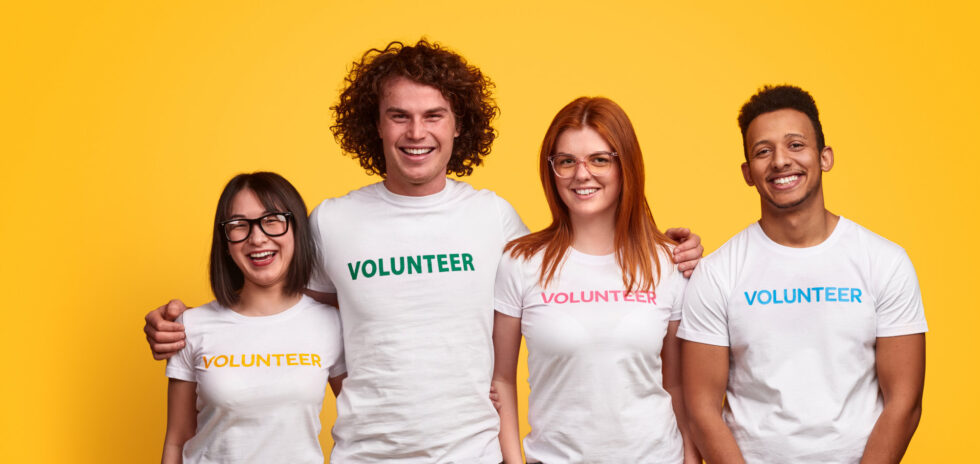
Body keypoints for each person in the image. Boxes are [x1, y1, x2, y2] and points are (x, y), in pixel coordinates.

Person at [145, 40, 705, 463]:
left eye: (434, 115)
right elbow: (279, 311)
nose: (417, 132)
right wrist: (187, 328)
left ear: (459, 126)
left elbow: (580, 262)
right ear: (377, 126)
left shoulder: (495, 218)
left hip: (476, 454)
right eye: (400, 115)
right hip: (366, 454)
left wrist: (667, 252)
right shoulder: (333, 221)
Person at [679, 85, 927, 463]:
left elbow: (904, 403)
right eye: (764, 151)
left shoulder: (884, 261)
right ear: (748, 172)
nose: (780, 161)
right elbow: (701, 409)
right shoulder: (717, 273)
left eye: (796, 145)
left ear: (825, 157)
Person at [491, 97, 700, 464]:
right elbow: (502, 380)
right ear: (551, 169)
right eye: (567, 161)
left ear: (627, 166)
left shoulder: (668, 262)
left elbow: (679, 384)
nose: (581, 174)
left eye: (600, 159)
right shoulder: (520, 261)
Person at [161, 172, 345, 464]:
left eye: (272, 220)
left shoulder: (331, 324)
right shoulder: (191, 326)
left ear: (296, 229)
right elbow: (177, 439)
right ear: (225, 241)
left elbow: (361, 424)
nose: (257, 238)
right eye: (239, 225)